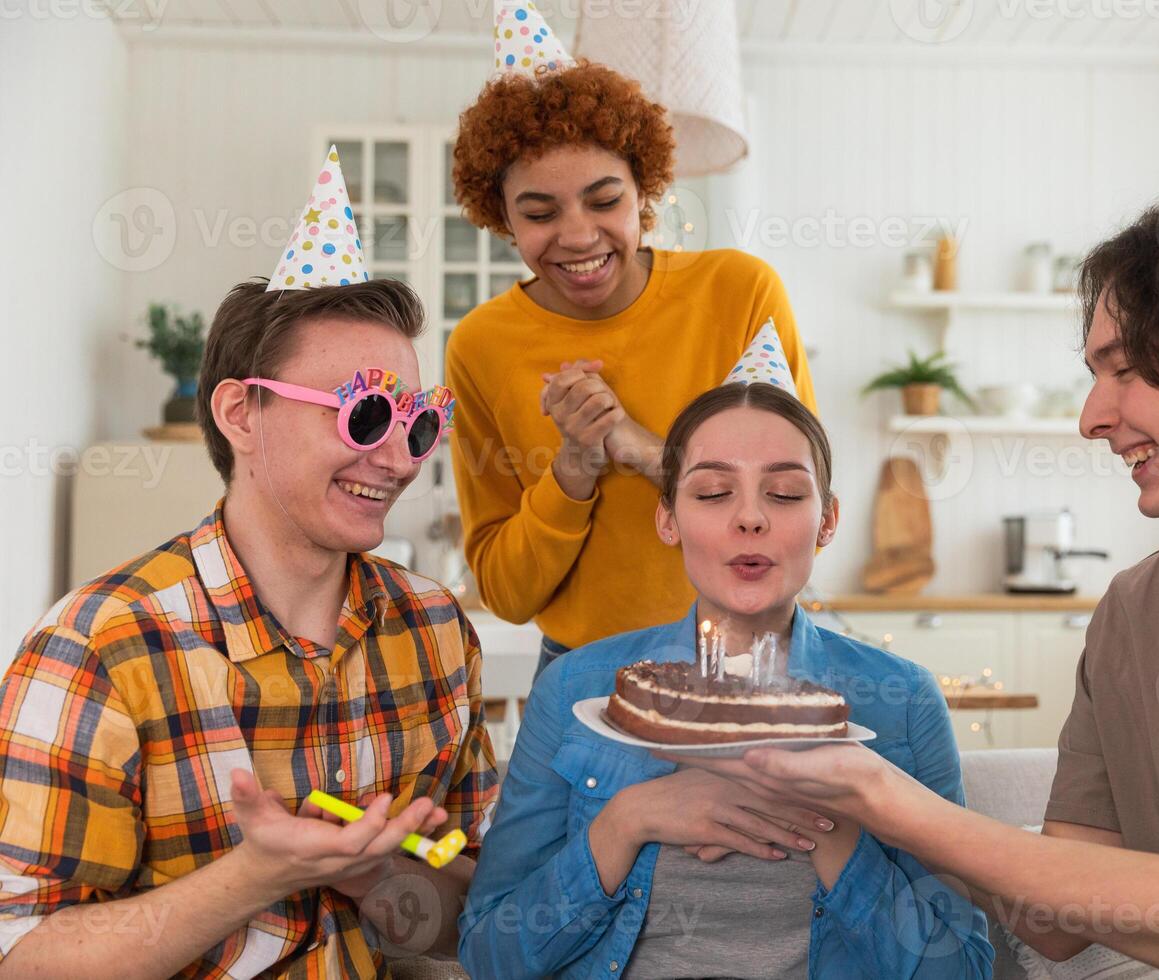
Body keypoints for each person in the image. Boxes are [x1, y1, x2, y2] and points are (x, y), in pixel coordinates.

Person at [675, 200, 1159, 978]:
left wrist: (886, 797)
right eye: (1096, 374)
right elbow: (1055, 928)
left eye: (1125, 368)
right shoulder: (1137, 608)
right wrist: (839, 798)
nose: (1093, 418)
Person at [0, 262, 498, 975]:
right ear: (239, 413)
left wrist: (378, 877)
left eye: (419, 424)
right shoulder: (99, 648)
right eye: (366, 416)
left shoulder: (436, 631)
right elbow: (21, 958)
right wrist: (256, 875)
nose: (397, 459)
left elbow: (480, 923)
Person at [457, 382, 993, 979]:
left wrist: (829, 825)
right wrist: (627, 820)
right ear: (668, 519)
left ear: (828, 520)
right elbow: (488, 954)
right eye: (713, 492)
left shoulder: (903, 701)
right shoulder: (575, 688)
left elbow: (963, 969)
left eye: (785, 493)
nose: (750, 518)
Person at [447, 8, 818, 676]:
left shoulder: (739, 293)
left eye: (604, 199)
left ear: (644, 190)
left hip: (749, 661)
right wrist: (574, 469)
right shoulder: (481, 345)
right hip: (577, 671)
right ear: (499, 216)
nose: (579, 235)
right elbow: (505, 592)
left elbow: (795, 512)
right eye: (538, 212)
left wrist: (642, 447)